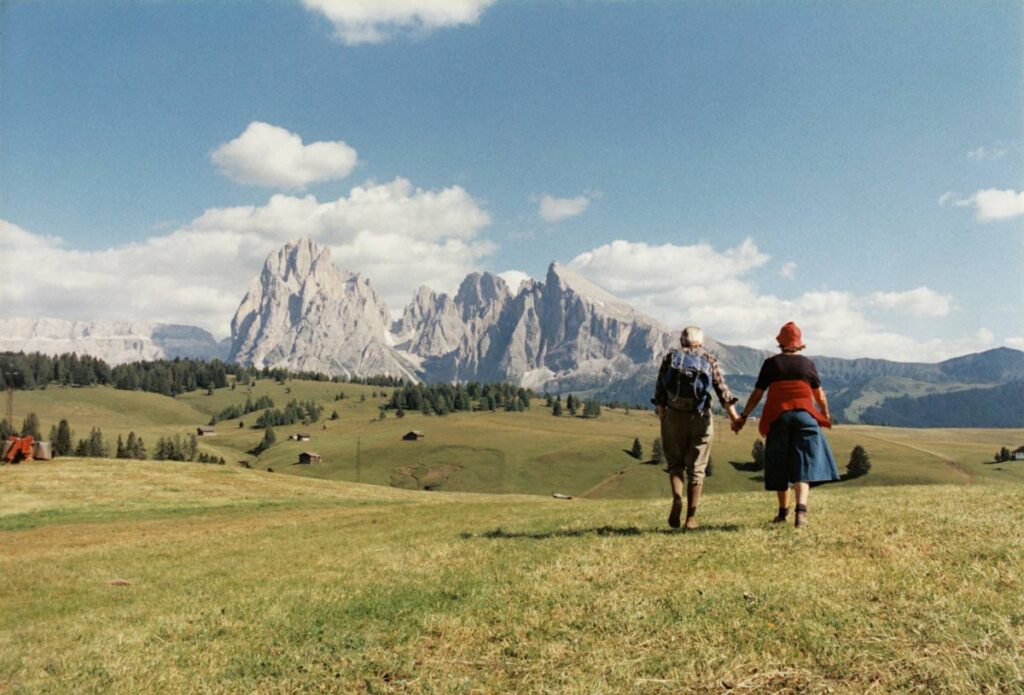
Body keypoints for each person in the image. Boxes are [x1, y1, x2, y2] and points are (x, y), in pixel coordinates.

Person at [732, 322, 839, 527]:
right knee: (804, 464)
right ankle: (801, 512)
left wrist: (743, 416)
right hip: (805, 417)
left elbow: (757, 394)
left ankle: (782, 513)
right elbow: (820, 396)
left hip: (778, 417)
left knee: (779, 463)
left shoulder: (771, 364)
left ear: (780, 343)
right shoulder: (808, 365)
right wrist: (825, 415)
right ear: (799, 344)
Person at [653, 326, 742, 530]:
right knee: (697, 468)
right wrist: (735, 418)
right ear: (700, 343)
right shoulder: (709, 359)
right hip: (700, 418)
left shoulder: (670, 358)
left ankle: (677, 498)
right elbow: (723, 392)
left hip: (674, 416)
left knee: (675, 463)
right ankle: (691, 518)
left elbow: (659, 390)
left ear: (681, 341)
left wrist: (663, 415)